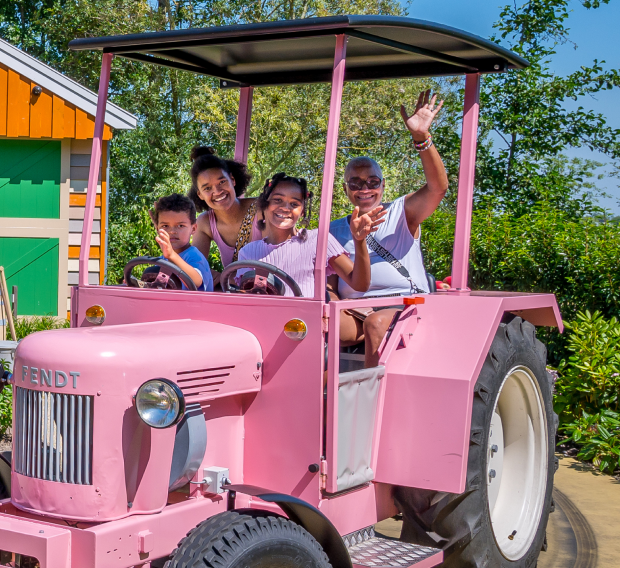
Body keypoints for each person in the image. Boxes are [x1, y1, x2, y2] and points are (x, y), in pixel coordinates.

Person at [329, 88, 449, 365]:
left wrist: (421, 138)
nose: (365, 189)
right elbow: (331, 282)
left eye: (372, 182)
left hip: (404, 303)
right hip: (354, 309)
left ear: (383, 185)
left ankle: (370, 399)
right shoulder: (333, 230)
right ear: (346, 188)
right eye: (356, 183)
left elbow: (437, 188)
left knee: (375, 324)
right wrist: (331, 302)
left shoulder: (401, 212)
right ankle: (314, 395)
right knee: (314, 324)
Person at [236, 174, 382, 298]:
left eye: (294, 204)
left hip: (304, 326)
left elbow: (360, 285)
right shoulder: (248, 253)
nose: (285, 208)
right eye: (278, 200)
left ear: (303, 211)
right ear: (264, 204)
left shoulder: (317, 240)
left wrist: (359, 240)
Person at [189, 146, 260, 267]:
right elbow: (194, 268)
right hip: (233, 286)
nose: (217, 191)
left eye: (222, 182)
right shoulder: (205, 222)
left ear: (232, 180)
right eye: (207, 188)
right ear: (200, 195)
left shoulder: (261, 208)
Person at [148, 194, 214, 290]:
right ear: (157, 229)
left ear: (193, 228)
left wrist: (171, 256)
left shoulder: (194, 256)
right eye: (165, 226)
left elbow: (195, 282)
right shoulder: (160, 261)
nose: (172, 231)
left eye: (180, 226)